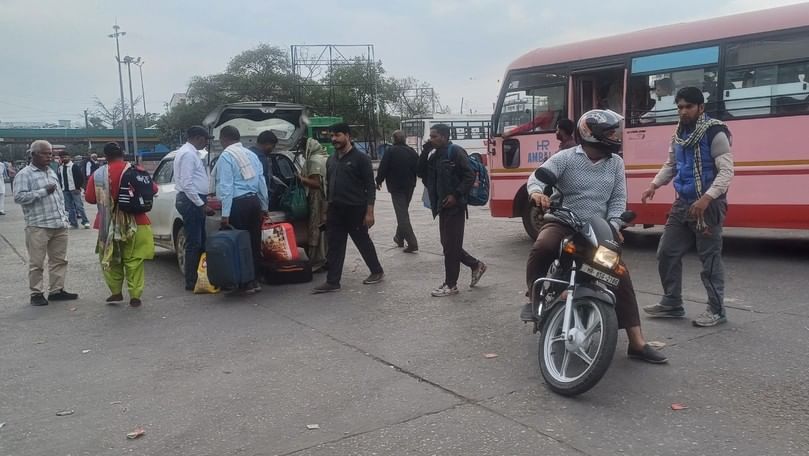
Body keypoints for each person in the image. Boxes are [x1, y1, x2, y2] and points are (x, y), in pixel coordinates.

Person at [524, 110, 667, 363]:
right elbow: (537, 177)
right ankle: (533, 296)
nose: (616, 136)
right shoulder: (566, 157)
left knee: (618, 273)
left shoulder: (616, 163)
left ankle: (636, 342)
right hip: (564, 221)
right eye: (611, 132)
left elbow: (617, 200)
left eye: (615, 132)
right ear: (592, 134)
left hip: (596, 228)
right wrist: (537, 193)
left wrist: (614, 227)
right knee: (543, 246)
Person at [641, 87, 734, 327]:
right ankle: (672, 303)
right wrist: (654, 184)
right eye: (680, 107)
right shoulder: (680, 134)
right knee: (667, 252)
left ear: (700, 108)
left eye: (688, 107)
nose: (683, 111)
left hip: (708, 206)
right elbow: (672, 164)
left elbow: (726, 172)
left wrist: (707, 199)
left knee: (709, 260)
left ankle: (717, 310)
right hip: (682, 203)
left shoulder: (715, 132)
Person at [313, 123, 384, 293]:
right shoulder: (331, 159)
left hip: (355, 209)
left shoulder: (361, 158)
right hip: (335, 210)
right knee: (335, 245)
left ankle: (377, 271)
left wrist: (369, 213)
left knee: (362, 242)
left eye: (337, 135)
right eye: (332, 136)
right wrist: (325, 211)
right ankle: (333, 281)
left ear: (348, 136)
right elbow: (329, 186)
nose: (333, 139)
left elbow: (370, 186)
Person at [418, 123, 487, 297]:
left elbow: (469, 175)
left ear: (444, 136)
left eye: (434, 136)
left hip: (455, 206)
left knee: (450, 246)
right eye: (430, 136)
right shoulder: (435, 154)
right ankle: (475, 265)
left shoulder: (455, 151)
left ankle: (451, 285)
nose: (431, 139)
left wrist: (455, 195)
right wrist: (425, 151)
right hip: (442, 206)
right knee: (448, 244)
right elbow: (420, 172)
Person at [85, 142, 157, 307]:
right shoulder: (137, 170)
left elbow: (89, 198)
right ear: (122, 154)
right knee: (134, 260)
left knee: (110, 259)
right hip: (137, 222)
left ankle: (116, 292)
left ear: (106, 156)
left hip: (108, 224)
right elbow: (153, 189)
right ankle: (135, 295)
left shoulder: (98, 174)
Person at [13, 140, 78, 306]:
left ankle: (57, 290)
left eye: (50, 153)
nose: (49, 156)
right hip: (38, 225)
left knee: (59, 260)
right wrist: (43, 192)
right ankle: (36, 293)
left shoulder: (51, 172)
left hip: (59, 224)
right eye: (45, 153)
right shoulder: (24, 174)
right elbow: (19, 197)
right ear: (33, 154)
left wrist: (64, 215)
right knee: (37, 262)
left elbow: (58, 196)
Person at [211, 126, 268, 294]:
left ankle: (244, 282)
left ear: (224, 139)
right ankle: (255, 280)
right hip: (253, 202)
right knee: (254, 242)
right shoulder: (251, 155)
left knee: (239, 244)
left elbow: (226, 186)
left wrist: (225, 214)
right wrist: (264, 206)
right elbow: (261, 182)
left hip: (237, 204)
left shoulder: (227, 156)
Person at [174, 125, 213, 291]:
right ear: (198, 138)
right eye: (205, 140)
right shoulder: (188, 154)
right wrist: (201, 204)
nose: (206, 144)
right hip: (191, 201)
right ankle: (192, 281)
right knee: (194, 243)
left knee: (199, 241)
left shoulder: (189, 153)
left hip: (192, 200)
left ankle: (201, 277)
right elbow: (187, 183)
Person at [376, 130, 419, 252]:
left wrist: (379, 181)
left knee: (402, 215)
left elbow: (383, 167)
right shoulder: (411, 152)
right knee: (403, 212)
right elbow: (418, 168)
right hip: (410, 186)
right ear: (404, 139)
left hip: (396, 188)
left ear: (394, 139)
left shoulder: (390, 151)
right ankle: (399, 237)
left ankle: (412, 243)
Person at [298, 136, 329, 271]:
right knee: (324, 228)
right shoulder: (324, 157)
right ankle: (326, 258)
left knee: (316, 228)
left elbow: (315, 183)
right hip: (326, 198)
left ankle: (317, 260)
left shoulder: (313, 160)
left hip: (317, 199)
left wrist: (301, 179)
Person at [57, 150, 90, 229]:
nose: (64, 158)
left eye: (65, 157)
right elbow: (59, 178)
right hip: (65, 190)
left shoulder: (74, 166)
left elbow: (80, 177)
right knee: (69, 208)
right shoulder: (60, 167)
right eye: (62, 157)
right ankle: (73, 223)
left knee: (79, 207)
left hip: (74, 189)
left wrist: (78, 187)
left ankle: (85, 222)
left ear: (69, 157)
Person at [248, 130, 277, 202]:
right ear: (267, 143)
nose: (272, 150)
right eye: (272, 146)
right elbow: (263, 182)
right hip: (257, 198)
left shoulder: (247, 153)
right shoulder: (261, 158)